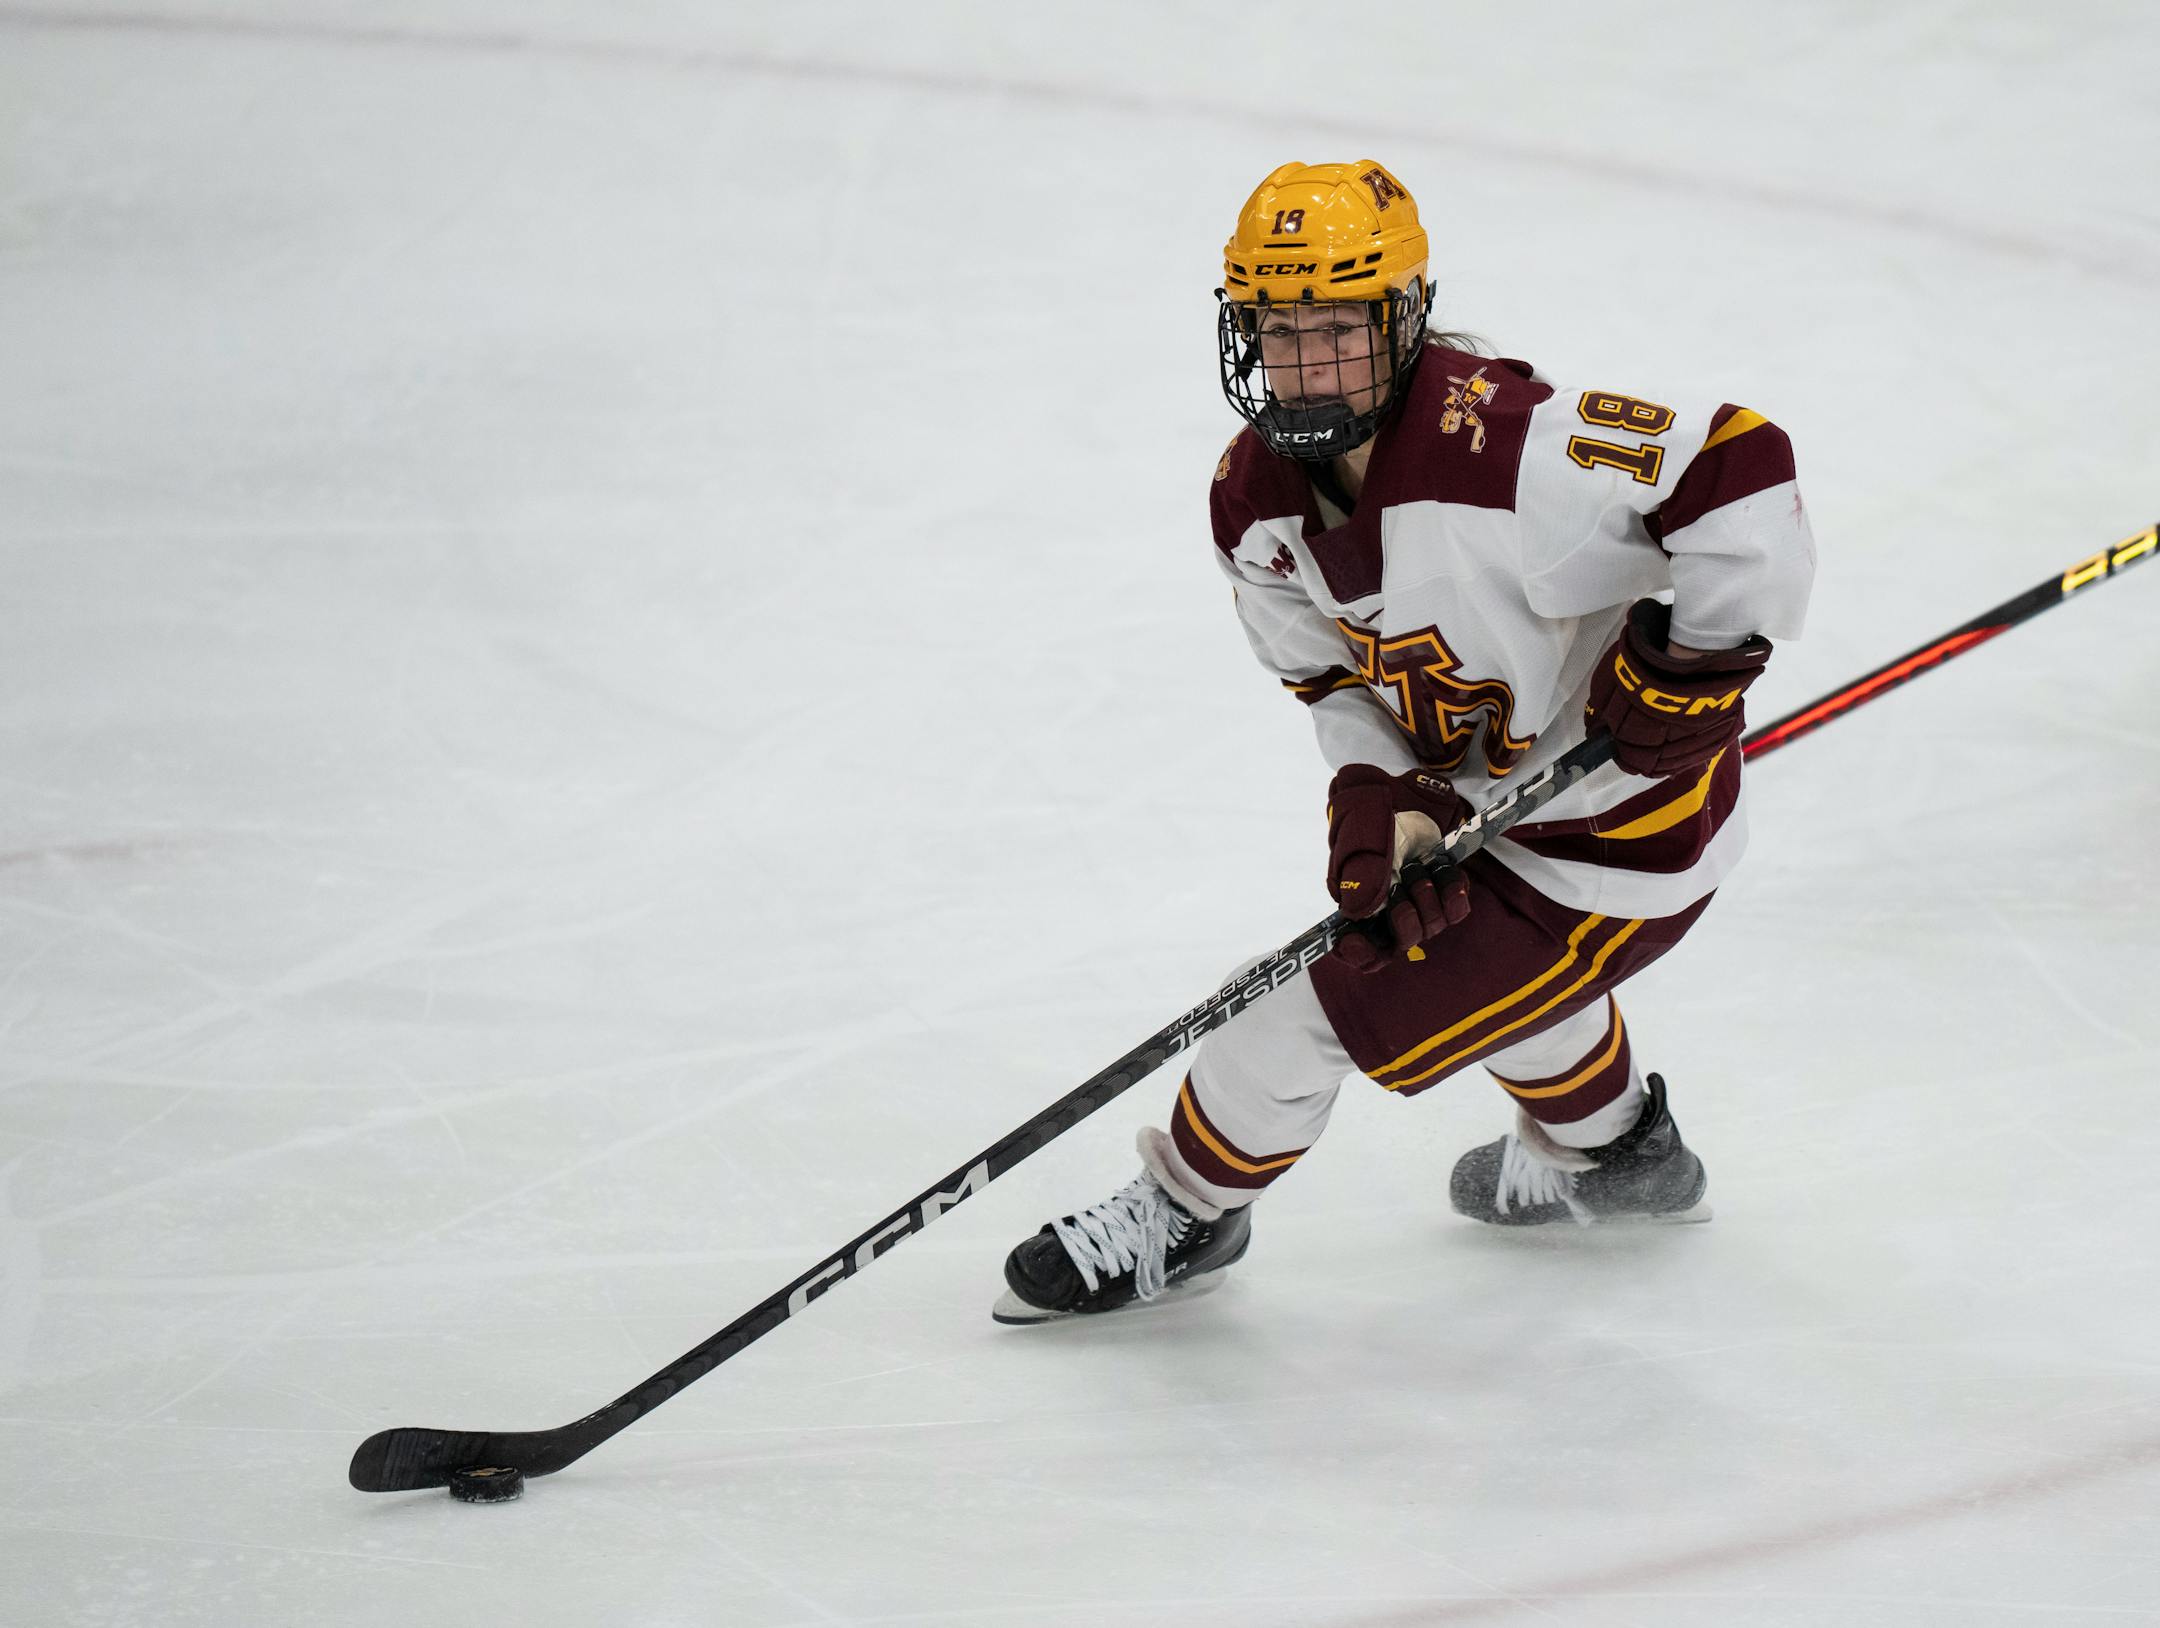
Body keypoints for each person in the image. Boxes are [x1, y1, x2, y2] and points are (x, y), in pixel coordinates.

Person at [993, 160, 1816, 1324]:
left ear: (1403, 316)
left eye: (1338, 326)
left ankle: (1184, 1210)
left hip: (1618, 836)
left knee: (1292, 1010)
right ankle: (1626, 1160)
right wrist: (1387, 792)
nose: (1307, 360)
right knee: (1489, 978)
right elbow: (1330, 676)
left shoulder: (1512, 450)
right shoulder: (1252, 500)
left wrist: (1695, 663)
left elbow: (1740, 467)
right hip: (1494, 814)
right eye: (1280, 329)